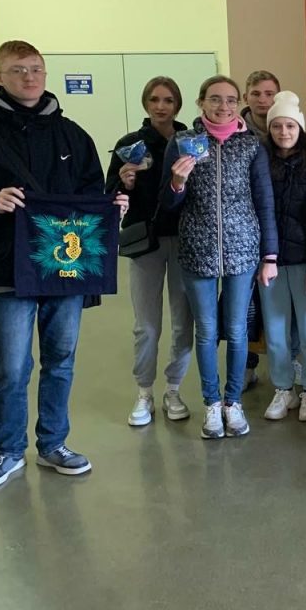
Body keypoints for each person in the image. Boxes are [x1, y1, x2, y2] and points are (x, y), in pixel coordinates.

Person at [0, 40, 128, 492]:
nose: (29, 77)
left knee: (60, 359)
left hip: (65, 266)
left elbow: (90, 193)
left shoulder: (72, 135)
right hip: (6, 268)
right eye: (18, 70)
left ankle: (53, 443)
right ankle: (8, 450)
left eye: (36, 69)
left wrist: (111, 207)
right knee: (11, 366)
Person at [162, 75, 278, 440]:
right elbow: (167, 204)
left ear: (238, 102)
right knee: (207, 330)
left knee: (238, 329)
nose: (223, 106)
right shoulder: (183, 142)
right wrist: (177, 183)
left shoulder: (251, 144)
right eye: (215, 99)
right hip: (197, 249)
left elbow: (264, 201)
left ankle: (233, 402)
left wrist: (270, 254)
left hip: (243, 249)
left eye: (230, 99)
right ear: (201, 102)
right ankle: (211, 403)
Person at [106, 76, 193, 427]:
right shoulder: (130, 144)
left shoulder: (191, 142)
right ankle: (144, 392)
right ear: (146, 103)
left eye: (168, 100)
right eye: (155, 99)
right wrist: (123, 182)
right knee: (146, 325)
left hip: (186, 240)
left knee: (184, 322)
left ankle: (173, 388)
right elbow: (109, 194)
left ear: (178, 105)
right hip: (145, 242)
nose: (161, 106)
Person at [258, 92, 306, 421]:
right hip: (270, 263)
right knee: (276, 332)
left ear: (299, 128)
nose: (283, 132)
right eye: (277, 126)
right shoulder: (260, 161)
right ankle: (283, 388)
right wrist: (264, 258)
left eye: (290, 125)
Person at [239, 69, 280, 388]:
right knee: (248, 305)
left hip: (281, 226)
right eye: (256, 94)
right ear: (246, 97)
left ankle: (288, 364)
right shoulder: (236, 134)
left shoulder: (288, 129)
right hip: (244, 230)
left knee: (281, 303)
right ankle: (247, 365)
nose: (263, 100)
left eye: (269, 94)